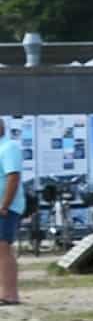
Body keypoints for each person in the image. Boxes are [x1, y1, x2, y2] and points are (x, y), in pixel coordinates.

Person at [0, 117, 23, 306]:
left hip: (6, 208)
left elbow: (13, 177)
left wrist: (5, 205)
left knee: (3, 248)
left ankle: (10, 295)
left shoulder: (9, 148)